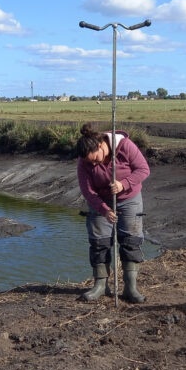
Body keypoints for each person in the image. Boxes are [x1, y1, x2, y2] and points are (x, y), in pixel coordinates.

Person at [74, 123, 151, 303]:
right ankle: (101, 286)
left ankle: (131, 288)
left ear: (101, 145)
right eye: (90, 162)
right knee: (99, 243)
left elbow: (143, 170)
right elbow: (88, 192)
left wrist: (124, 184)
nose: (94, 163)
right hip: (101, 203)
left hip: (129, 199)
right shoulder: (84, 162)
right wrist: (104, 209)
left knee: (130, 241)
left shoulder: (124, 146)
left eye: (95, 159)